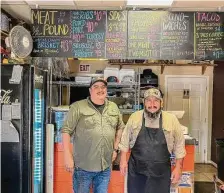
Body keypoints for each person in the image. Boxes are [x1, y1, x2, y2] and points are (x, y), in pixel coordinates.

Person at [61, 77, 125, 193]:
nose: (100, 89)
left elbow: (120, 127)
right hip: (83, 167)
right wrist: (67, 155)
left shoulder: (113, 107)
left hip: (105, 166)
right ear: (90, 90)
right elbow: (66, 131)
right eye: (96, 87)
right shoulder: (77, 107)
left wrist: (115, 149)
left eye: (103, 87)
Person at [119, 87, 186, 193]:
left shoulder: (171, 119)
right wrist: (122, 160)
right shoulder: (135, 117)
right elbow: (124, 140)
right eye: (148, 100)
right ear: (144, 102)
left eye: (156, 100)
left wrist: (178, 168)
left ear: (161, 103)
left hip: (161, 172)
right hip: (137, 170)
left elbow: (179, 145)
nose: (152, 104)